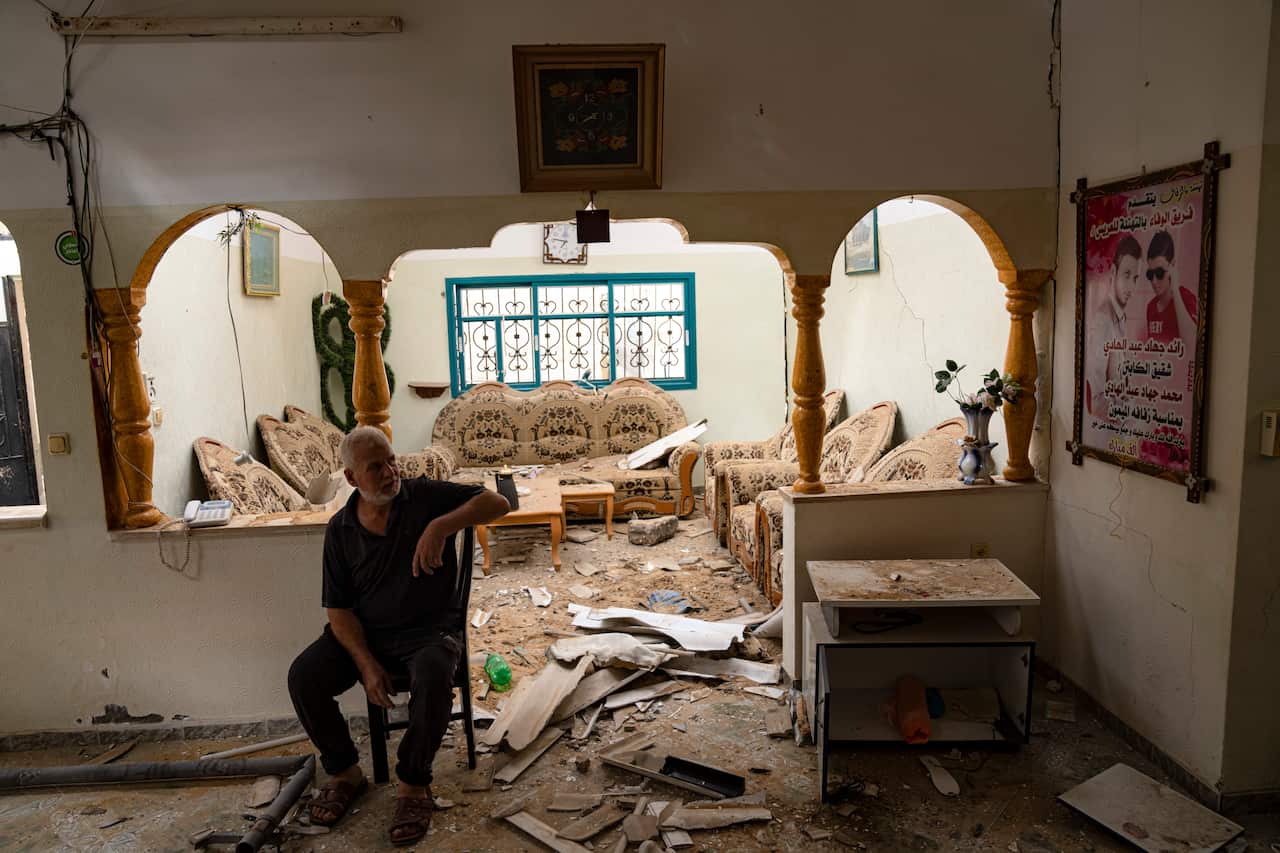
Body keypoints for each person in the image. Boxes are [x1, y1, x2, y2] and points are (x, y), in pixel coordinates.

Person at [288, 426, 510, 846]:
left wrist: (441, 525)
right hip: (366, 634)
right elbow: (338, 610)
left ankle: (413, 783)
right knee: (304, 676)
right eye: (376, 467)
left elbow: (499, 502)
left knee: (433, 673)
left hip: (428, 631)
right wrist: (366, 664)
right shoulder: (340, 530)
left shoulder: (422, 496)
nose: (391, 472)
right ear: (351, 477)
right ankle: (345, 772)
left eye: (392, 460)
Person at [1087, 233, 1141, 419]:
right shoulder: (1103, 320)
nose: (1131, 287)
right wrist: (1131, 416)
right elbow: (1096, 402)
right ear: (1113, 272)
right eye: (1127, 275)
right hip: (1109, 429)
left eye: (1135, 278)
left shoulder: (1120, 317)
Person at [1143, 229, 1198, 346]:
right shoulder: (1151, 307)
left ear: (1172, 266)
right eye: (1150, 274)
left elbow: (1193, 343)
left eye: (1159, 273)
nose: (1154, 281)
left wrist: (1175, 291)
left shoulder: (1188, 299)